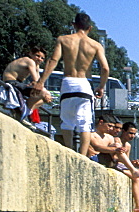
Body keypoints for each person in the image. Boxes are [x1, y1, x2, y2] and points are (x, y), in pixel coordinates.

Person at [32, 12, 109, 155]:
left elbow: (53, 61)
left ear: (74, 25)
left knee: (66, 120)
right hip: (84, 84)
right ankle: (83, 155)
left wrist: (41, 82)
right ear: (90, 28)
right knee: (84, 122)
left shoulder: (63, 40)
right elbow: (105, 68)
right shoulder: (96, 45)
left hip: (68, 83)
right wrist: (101, 87)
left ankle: (69, 151)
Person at [1, 46, 53, 115]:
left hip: (18, 83)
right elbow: (36, 80)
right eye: (37, 56)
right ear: (31, 54)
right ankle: (23, 111)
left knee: (46, 95)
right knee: (43, 92)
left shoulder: (36, 65)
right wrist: (38, 85)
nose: (39, 59)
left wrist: (47, 95)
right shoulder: (29, 61)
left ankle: (27, 111)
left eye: (42, 58)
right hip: (11, 82)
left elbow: (39, 83)